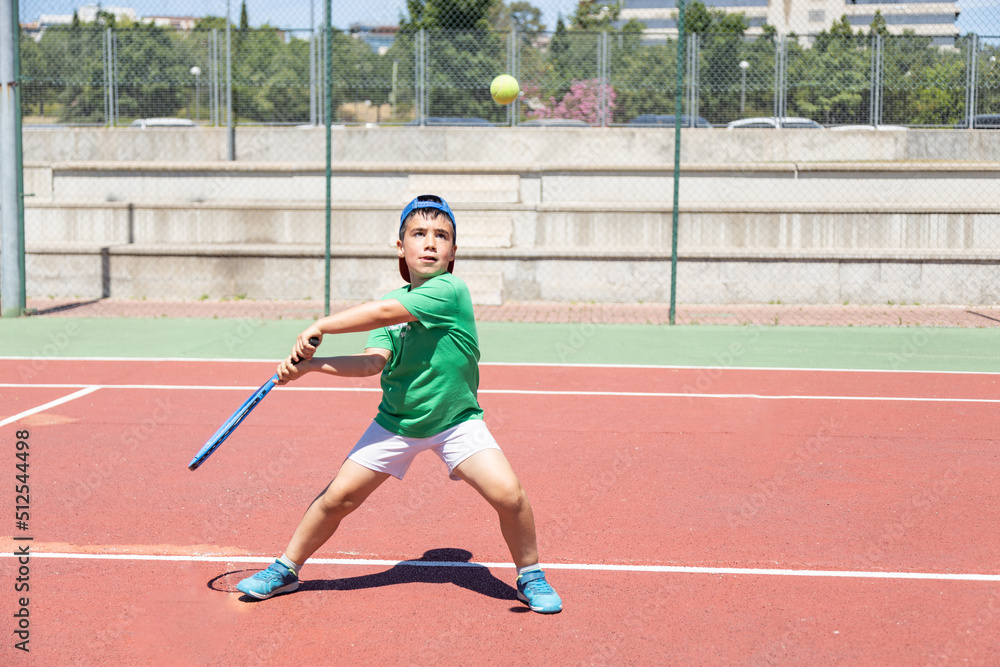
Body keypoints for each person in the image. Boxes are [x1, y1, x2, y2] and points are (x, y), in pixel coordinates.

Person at [236, 194, 562, 614]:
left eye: (441, 236)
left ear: (453, 252)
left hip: (456, 421)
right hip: (396, 423)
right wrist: (312, 366)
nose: (430, 243)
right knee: (337, 499)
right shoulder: (396, 306)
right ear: (401, 247)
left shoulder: (449, 291)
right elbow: (373, 362)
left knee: (510, 496)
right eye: (419, 234)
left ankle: (530, 574)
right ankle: (285, 570)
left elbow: (383, 312)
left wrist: (321, 325)